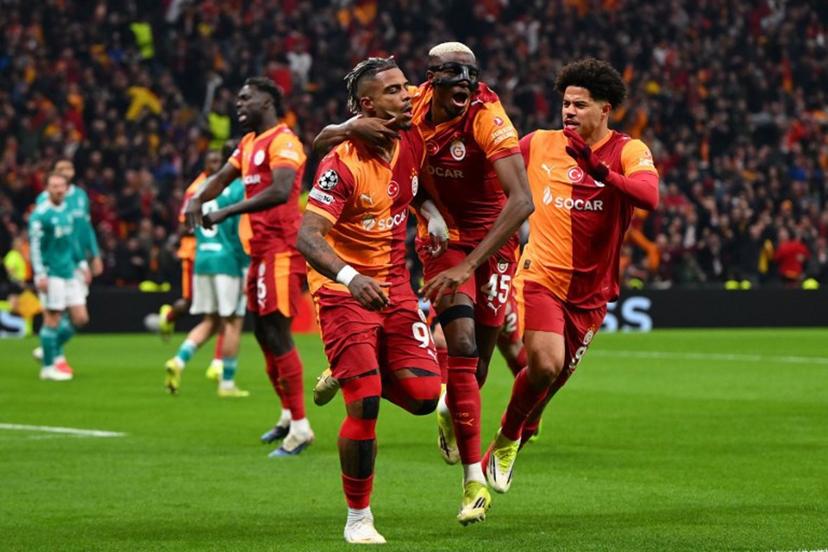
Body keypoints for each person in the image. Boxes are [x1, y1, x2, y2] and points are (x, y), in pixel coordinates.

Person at [313, 42, 533, 506]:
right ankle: (473, 480)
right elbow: (336, 148)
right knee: (463, 347)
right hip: (443, 241)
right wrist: (429, 211)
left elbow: (522, 201)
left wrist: (473, 262)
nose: (466, 84)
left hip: (492, 240)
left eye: (472, 74)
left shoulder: (488, 117)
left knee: (471, 369)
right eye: (454, 74)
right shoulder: (408, 104)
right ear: (431, 78)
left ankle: (441, 409)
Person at [483, 58, 659, 493]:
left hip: (592, 293)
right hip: (541, 274)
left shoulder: (628, 151)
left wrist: (601, 172)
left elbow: (649, 196)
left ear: (605, 109)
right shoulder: (540, 143)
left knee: (551, 382)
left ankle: (525, 423)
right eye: (566, 103)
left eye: (580, 105)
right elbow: (493, 173)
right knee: (544, 365)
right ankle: (506, 441)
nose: (569, 112)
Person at [298, 57, 454, 544]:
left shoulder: (412, 138)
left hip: (395, 286)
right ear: (368, 105)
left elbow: (413, 189)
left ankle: (346, 372)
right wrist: (348, 276)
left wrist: (431, 214)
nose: (407, 95)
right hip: (343, 291)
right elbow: (307, 236)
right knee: (364, 405)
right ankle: (358, 518)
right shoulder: (341, 160)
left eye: (406, 86)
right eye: (393, 91)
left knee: (426, 398)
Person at [184, 76, 313, 457]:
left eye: (246, 98)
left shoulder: (284, 141)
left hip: (283, 250)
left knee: (278, 333)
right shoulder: (247, 143)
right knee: (263, 335)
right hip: (259, 250)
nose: (238, 104)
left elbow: (279, 190)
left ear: (268, 101)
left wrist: (224, 211)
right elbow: (221, 178)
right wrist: (197, 199)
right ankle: (289, 415)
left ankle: (301, 427)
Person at [164, 148, 250, 398]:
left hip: (202, 259)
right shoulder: (235, 189)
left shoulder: (198, 189)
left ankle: (178, 361)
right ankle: (227, 383)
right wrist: (246, 266)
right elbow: (240, 232)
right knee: (233, 322)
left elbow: (187, 225)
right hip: (228, 262)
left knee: (211, 321)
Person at [157, 149, 226, 381]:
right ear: (204, 164)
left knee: (220, 314)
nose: (216, 164)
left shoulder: (223, 185)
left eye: (219, 160)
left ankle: (217, 364)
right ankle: (168, 317)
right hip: (195, 253)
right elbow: (184, 224)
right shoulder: (195, 190)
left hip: (215, 253)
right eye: (212, 160)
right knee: (191, 303)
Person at [32, 159, 102, 375]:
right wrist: (39, 274)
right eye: (54, 186)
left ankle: (48, 350)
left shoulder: (69, 209)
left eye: (61, 186)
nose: (59, 190)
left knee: (80, 318)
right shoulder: (41, 213)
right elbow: (35, 246)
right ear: (47, 188)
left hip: (70, 269)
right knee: (53, 317)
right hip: (52, 272)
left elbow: (72, 241)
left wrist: (83, 263)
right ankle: (49, 365)